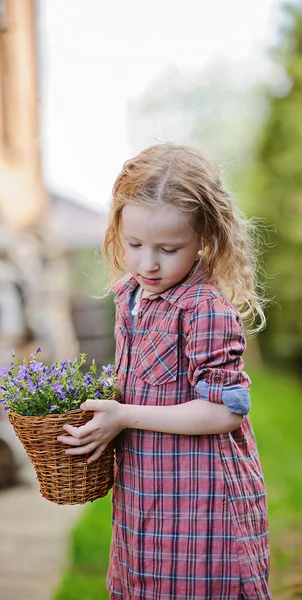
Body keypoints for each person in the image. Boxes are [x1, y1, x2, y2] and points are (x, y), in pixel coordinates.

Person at [58, 143, 272, 600]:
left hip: (201, 500)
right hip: (144, 496)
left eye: (168, 249)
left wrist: (124, 415)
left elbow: (224, 413)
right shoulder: (129, 296)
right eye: (134, 244)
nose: (147, 263)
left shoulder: (204, 308)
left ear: (205, 239)